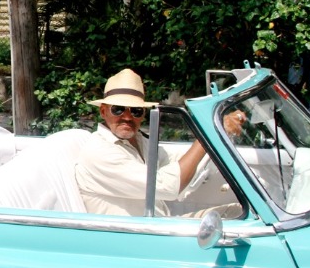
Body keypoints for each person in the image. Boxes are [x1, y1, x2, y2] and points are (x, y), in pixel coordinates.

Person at [75, 68, 244, 216]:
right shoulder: (99, 152)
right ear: (103, 111)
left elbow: (174, 160)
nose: (127, 117)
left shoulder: (139, 141)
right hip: (134, 237)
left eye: (135, 111)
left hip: (159, 226)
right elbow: (167, 187)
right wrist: (209, 135)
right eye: (118, 109)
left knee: (238, 212)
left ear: (143, 114)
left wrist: (219, 129)